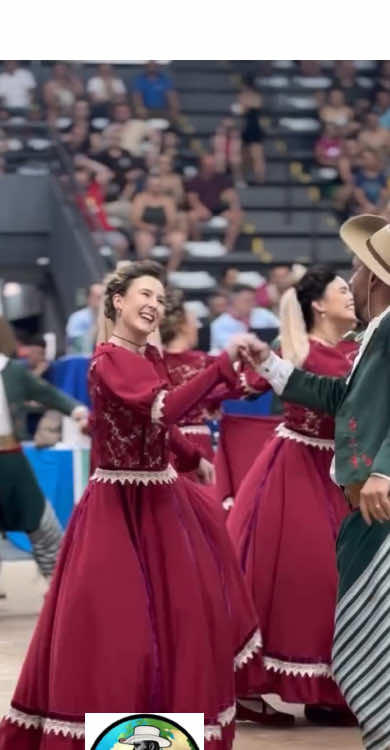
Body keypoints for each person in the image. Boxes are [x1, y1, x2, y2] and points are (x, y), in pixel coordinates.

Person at [0, 260, 263, 750]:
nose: (154, 304)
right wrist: (223, 365)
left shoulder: (147, 358)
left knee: (174, 623)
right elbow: (164, 408)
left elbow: (160, 425)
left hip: (160, 501)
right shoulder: (109, 358)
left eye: (160, 297)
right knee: (119, 628)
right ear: (117, 300)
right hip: (118, 507)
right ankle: (114, 738)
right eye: (145, 294)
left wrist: (188, 456)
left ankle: (167, 736)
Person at [239, 214, 390, 748]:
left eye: (357, 270)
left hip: (371, 488)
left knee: (365, 609)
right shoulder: (371, 334)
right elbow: (338, 399)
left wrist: (384, 468)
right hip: (343, 486)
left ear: (377, 279)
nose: (352, 280)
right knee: (359, 608)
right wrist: (272, 367)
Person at [218, 268, 359, 724]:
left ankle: (332, 692)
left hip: (344, 474)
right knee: (307, 579)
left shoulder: (363, 350)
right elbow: (241, 385)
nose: (350, 296)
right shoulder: (295, 350)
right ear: (319, 305)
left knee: (345, 582)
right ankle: (254, 682)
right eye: (342, 291)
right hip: (295, 472)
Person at [0, 309, 89, 613]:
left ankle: (56, 585)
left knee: (41, 520)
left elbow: (47, 393)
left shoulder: (13, 371)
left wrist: (76, 410)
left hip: (12, 458)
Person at [159, 288, 229, 472]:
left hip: (163, 445)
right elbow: (236, 386)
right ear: (182, 325)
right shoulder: (204, 362)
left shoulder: (152, 362)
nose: (197, 327)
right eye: (194, 322)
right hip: (197, 443)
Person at [131, 173, 187, 272]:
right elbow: (136, 220)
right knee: (144, 240)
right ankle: (146, 272)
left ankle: (170, 272)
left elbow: (172, 220)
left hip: (164, 231)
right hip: (146, 231)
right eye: (153, 185)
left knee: (179, 239)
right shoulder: (140, 198)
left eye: (158, 185)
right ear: (148, 186)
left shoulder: (167, 200)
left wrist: (166, 229)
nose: (156, 188)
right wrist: (148, 228)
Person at [186, 154, 244, 251]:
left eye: (213, 165)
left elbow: (232, 196)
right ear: (202, 166)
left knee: (238, 215)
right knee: (191, 216)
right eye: (208, 165)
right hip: (202, 210)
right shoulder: (194, 181)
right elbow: (192, 199)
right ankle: (197, 242)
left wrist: (235, 209)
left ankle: (228, 246)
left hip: (220, 210)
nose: (211, 167)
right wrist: (201, 209)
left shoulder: (223, 179)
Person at [211, 284, 279, 351]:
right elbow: (231, 348)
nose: (253, 304)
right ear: (234, 301)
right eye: (248, 301)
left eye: (253, 300)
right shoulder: (219, 324)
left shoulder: (262, 313)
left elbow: (282, 330)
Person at [235, 76, 266, 184]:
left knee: (257, 155)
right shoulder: (242, 96)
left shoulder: (255, 97)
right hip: (245, 127)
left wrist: (245, 103)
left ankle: (260, 180)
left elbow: (247, 107)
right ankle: (242, 179)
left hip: (254, 128)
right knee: (244, 156)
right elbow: (240, 109)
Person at [66, 282, 104, 355]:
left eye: (104, 296)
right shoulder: (77, 318)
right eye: (99, 297)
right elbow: (77, 345)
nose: (102, 300)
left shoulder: (111, 317)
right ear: (89, 298)